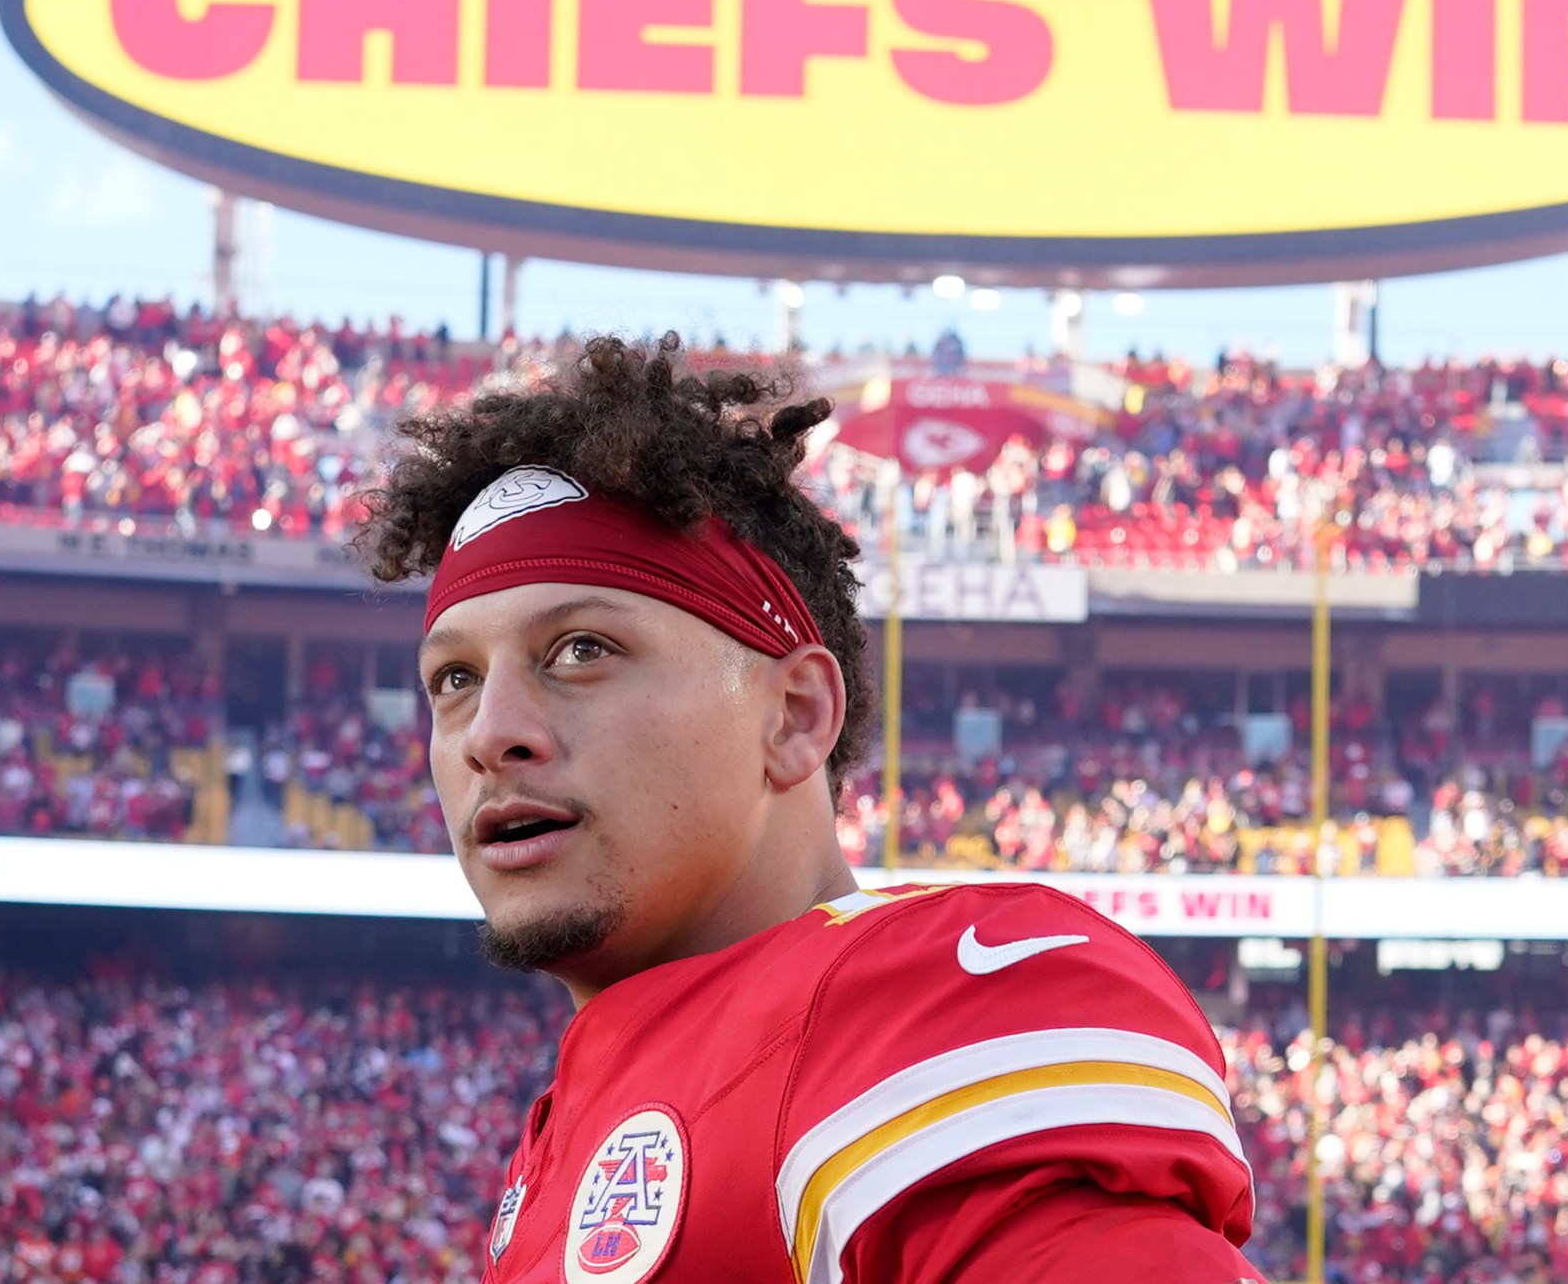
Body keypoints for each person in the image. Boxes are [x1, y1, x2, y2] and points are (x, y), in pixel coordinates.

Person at [354, 335, 1258, 1284]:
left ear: (794, 716)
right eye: (453, 677)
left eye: (581, 650)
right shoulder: (578, 1119)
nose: (488, 733)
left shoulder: (905, 1020)